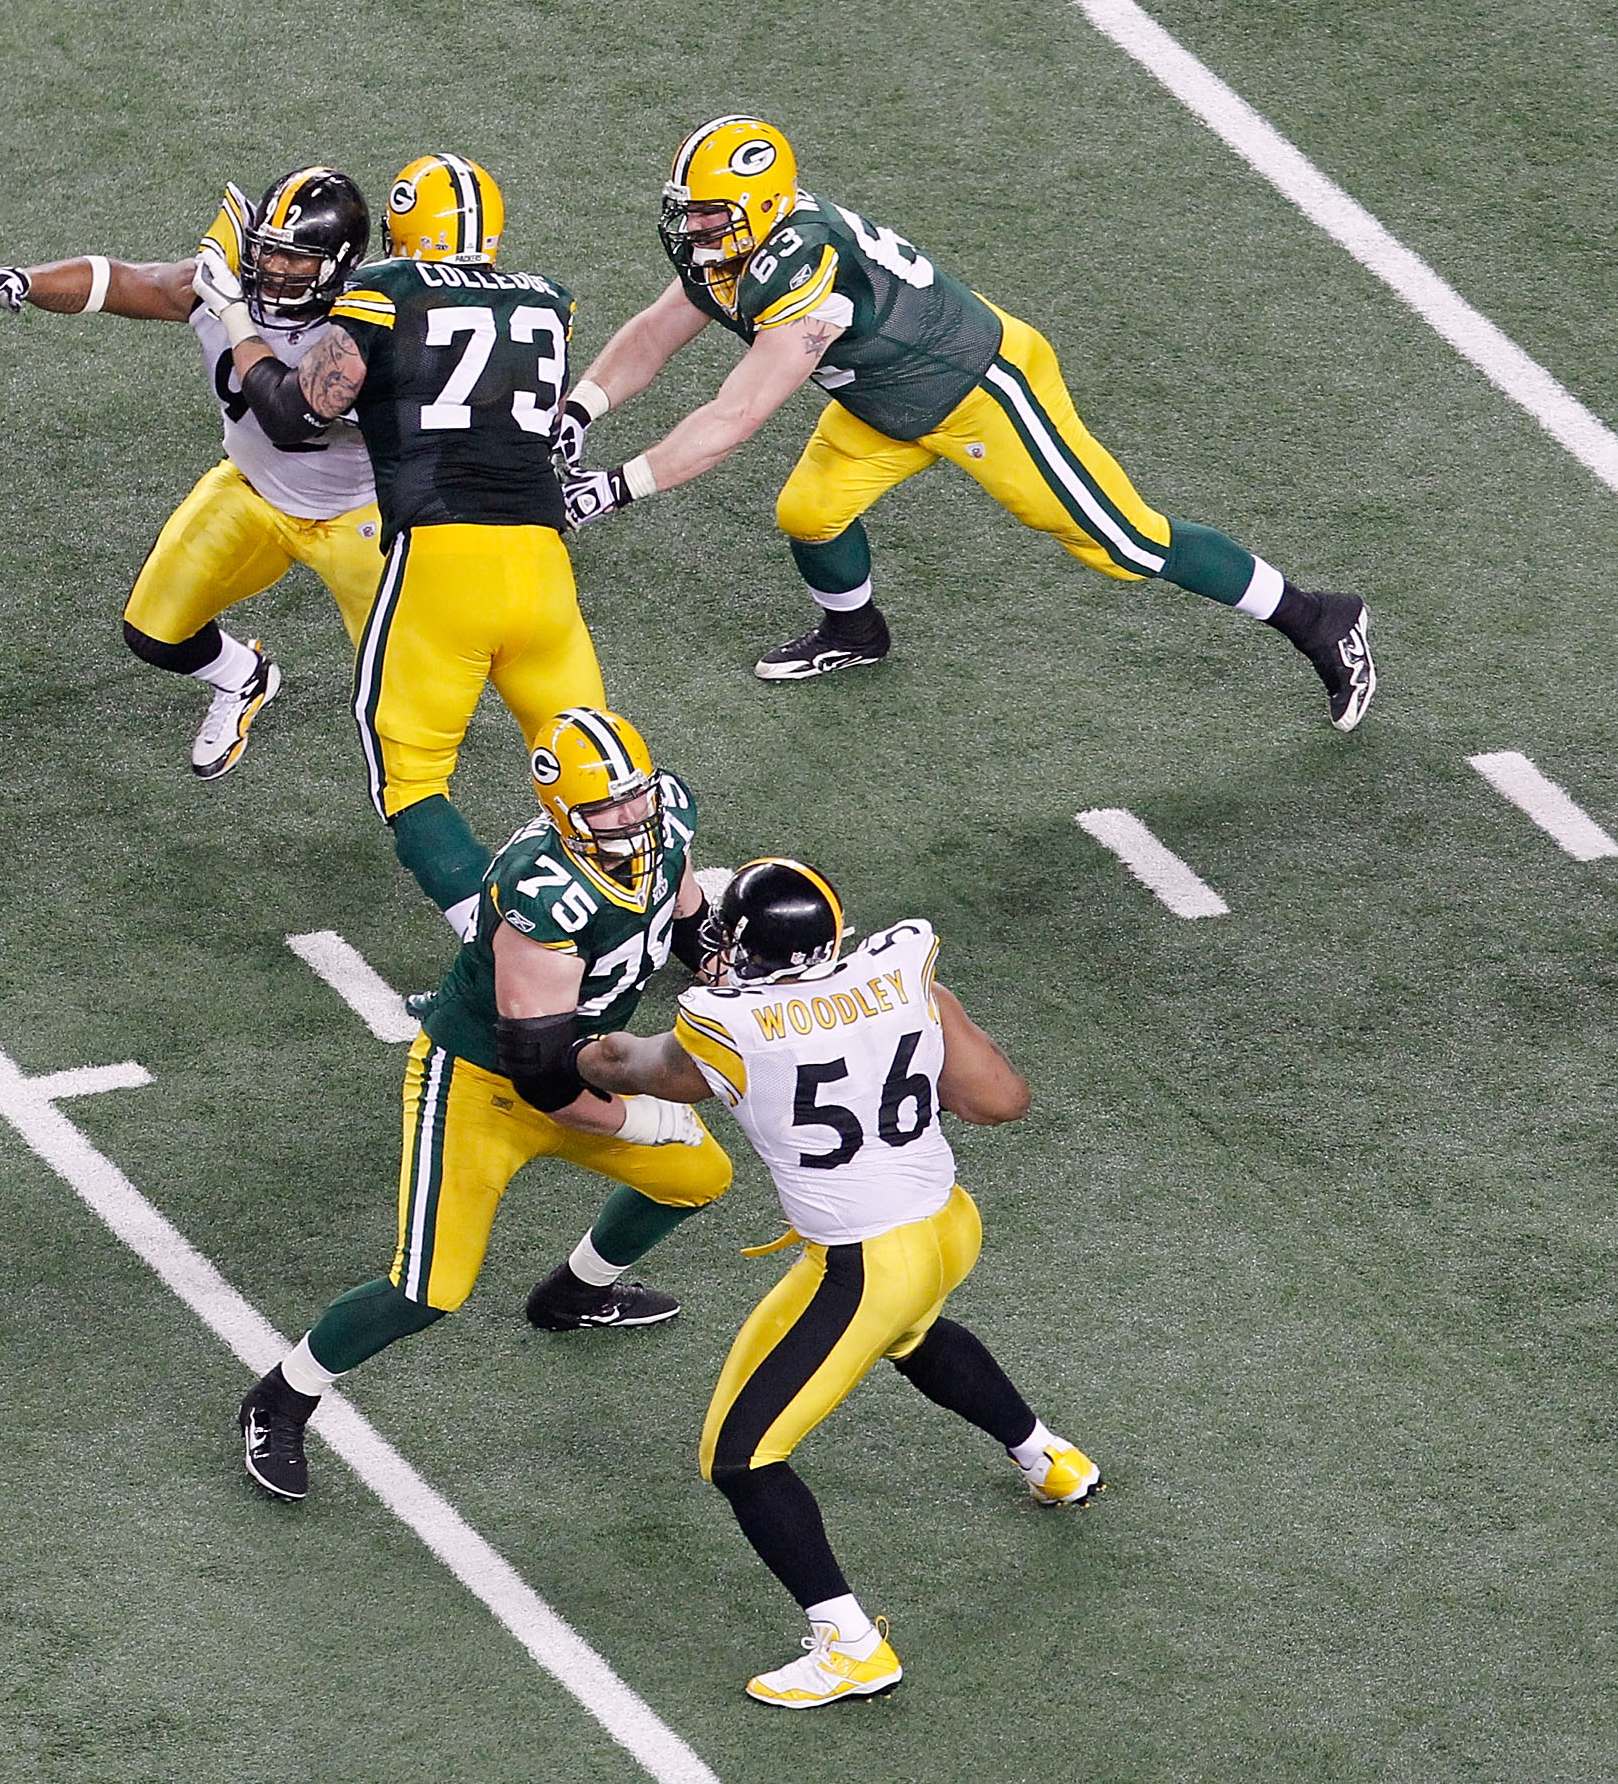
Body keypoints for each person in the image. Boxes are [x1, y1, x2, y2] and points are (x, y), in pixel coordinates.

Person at [558, 115, 1374, 726]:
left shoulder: (801, 265)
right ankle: (857, 630)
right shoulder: (742, 249)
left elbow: (737, 414)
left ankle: (1318, 619)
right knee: (809, 511)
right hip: (882, 396)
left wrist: (613, 489)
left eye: (708, 216)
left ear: (764, 210)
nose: (694, 230)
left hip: (978, 387)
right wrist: (578, 411)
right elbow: (656, 330)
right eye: (688, 212)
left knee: (1127, 542)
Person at [577, 858, 1100, 1708]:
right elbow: (1000, 1099)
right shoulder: (904, 974)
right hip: (946, 1224)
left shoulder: (725, 1023)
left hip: (863, 1263)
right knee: (914, 1332)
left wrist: (569, 1037)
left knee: (741, 1457)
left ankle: (849, 1644)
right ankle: (1049, 1459)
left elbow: (628, 1066)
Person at [235, 709, 731, 1502]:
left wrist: (714, 953)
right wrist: (637, 1116)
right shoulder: (546, 893)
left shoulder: (665, 815)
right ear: (563, 815)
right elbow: (540, 1078)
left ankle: (574, 1292)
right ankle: (283, 1394)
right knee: (427, 1288)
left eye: (636, 798)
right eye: (607, 810)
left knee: (698, 1175)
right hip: (481, 1083)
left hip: (582, 1056)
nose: (632, 819)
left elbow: (682, 900)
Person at [207, 155, 612, 934]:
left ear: (400, 228)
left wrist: (234, 317)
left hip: (444, 561)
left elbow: (297, 415)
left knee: (412, 779)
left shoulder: (384, 292)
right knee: (601, 764)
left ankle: (495, 955)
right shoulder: (549, 303)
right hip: (544, 568)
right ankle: (688, 929)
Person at [0, 168, 384, 779]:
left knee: (403, 687)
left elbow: (298, 414)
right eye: (266, 252)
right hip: (251, 490)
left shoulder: (369, 326)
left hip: (362, 516)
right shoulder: (224, 290)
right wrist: (26, 281)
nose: (274, 271)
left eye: (295, 260)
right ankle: (243, 677)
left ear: (339, 263)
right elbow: (119, 280)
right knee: (155, 633)